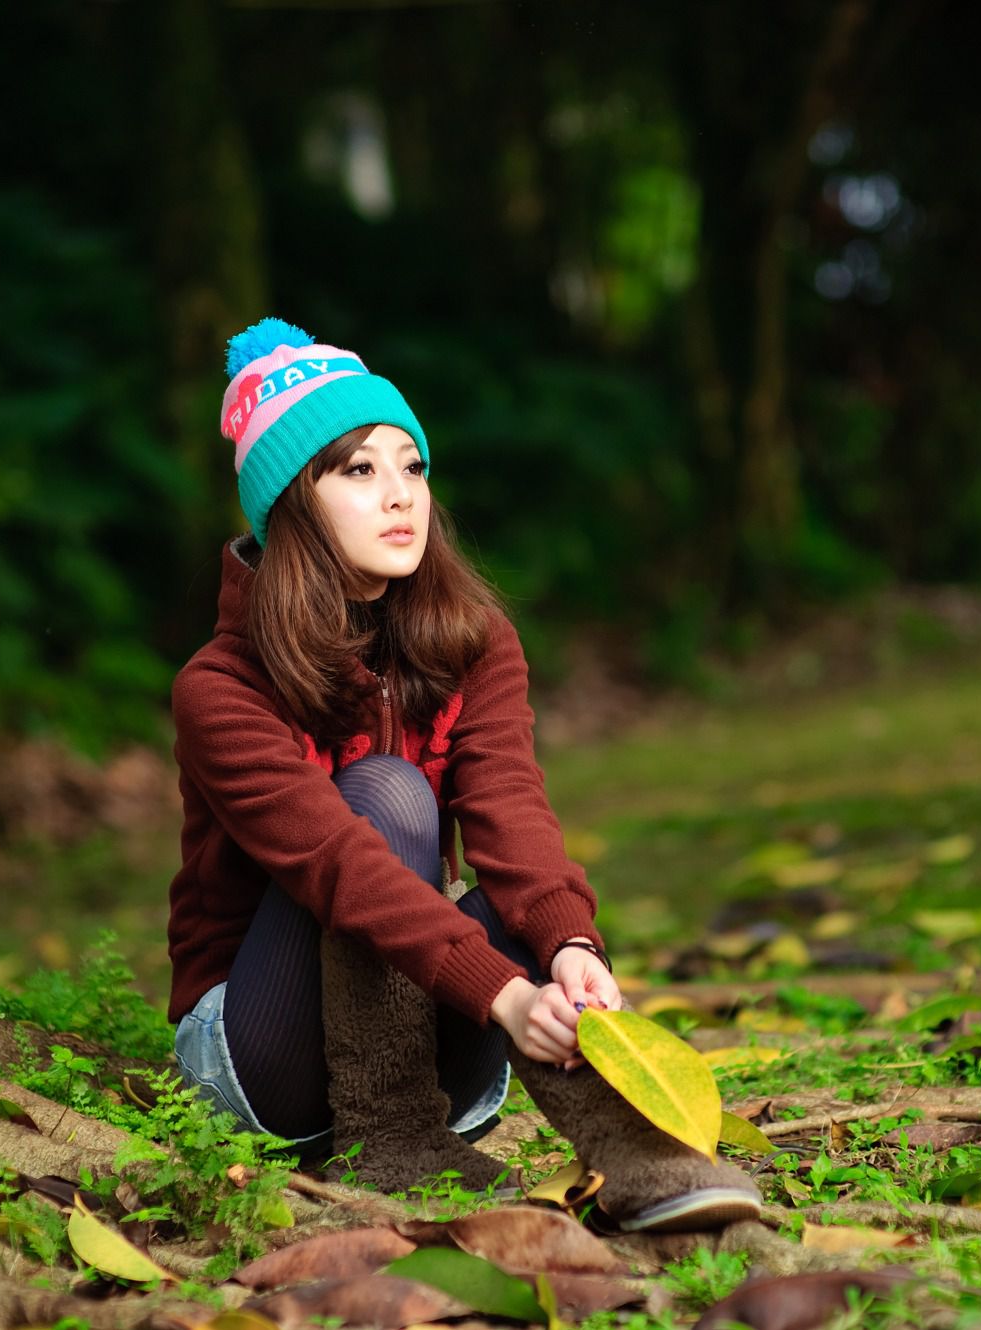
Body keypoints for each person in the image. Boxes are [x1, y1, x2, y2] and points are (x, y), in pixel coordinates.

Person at [165, 318, 760, 1232]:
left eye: (413, 466)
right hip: (260, 1056)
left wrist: (567, 949)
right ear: (290, 500)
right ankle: (390, 1139)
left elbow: (511, 811)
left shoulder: (471, 643)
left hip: (422, 1037)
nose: (401, 496)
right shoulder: (221, 687)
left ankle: (652, 1164)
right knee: (386, 794)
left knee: (521, 912)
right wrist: (505, 994)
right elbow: (338, 868)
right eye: (359, 471)